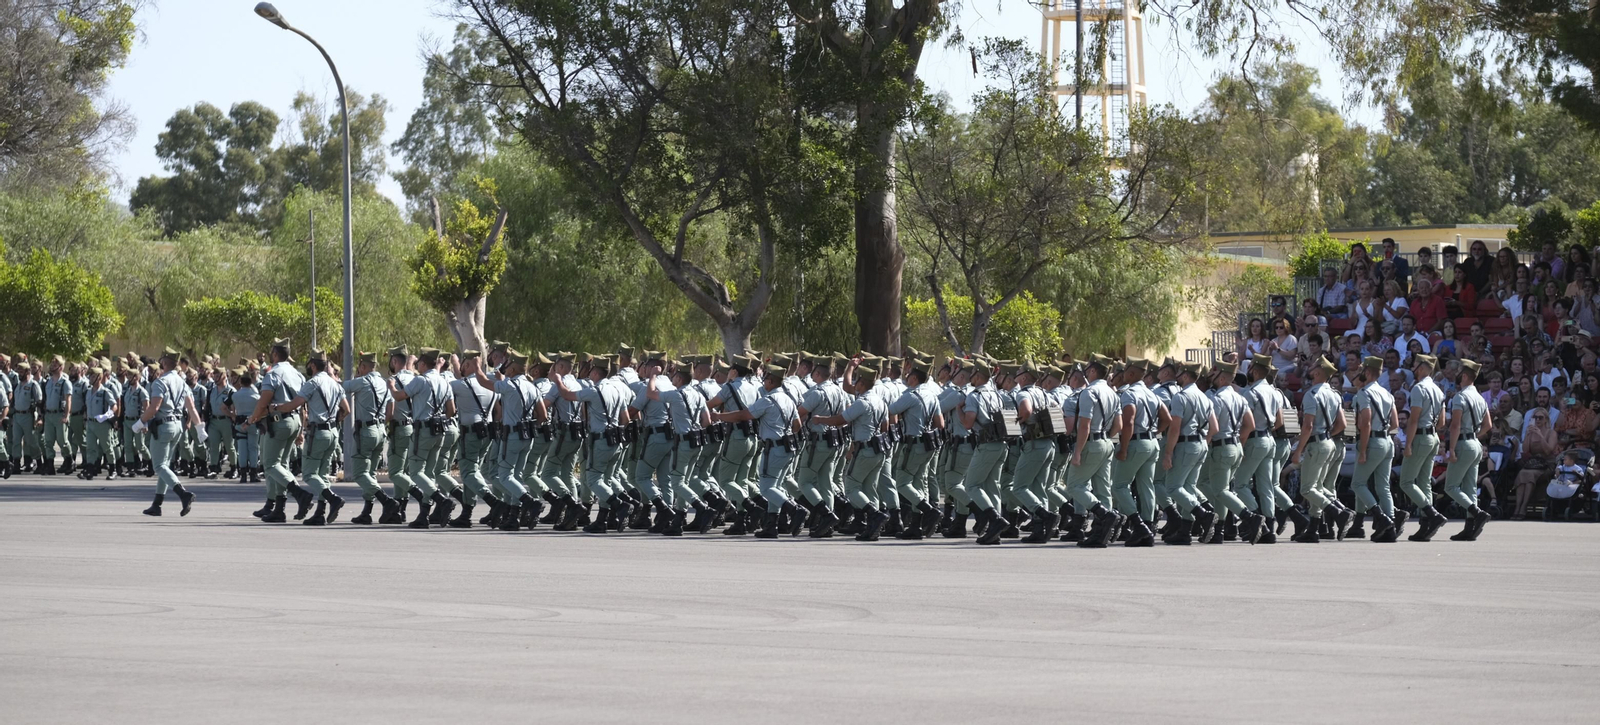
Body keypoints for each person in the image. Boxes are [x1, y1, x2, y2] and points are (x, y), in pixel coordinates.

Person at [710, 363, 803, 539]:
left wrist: (720, 416)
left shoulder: (768, 400)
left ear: (770, 381)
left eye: (766, 380)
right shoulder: (788, 399)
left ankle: (795, 509)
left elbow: (744, 415)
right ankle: (771, 525)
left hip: (774, 447)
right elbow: (797, 425)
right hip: (788, 446)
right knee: (776, 487)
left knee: (767, 488)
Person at [271, 350, 348, 526]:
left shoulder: (312, 383)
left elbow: (294, 404)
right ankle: (320, 512)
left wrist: (276, 407)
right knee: (322, 474)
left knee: (309, 474)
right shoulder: (335, 384)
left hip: (318, 432)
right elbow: (347, 409)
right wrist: (335, 421)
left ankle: (333, 499)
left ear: (313, 365)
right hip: (333, 432)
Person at [389, 347, 459, 529]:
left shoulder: (421, 380)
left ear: (422, 363)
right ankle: (423, 515)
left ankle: (441, 500)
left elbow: (399, 396)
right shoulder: (445, 382)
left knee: (416, 472)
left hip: (423, 430)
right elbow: (451, 411)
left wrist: (391, 387)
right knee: (429, 474)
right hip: (440, 430)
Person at [1198, 361, 1265, 544]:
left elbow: (1213, 428)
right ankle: (1219, 530)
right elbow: (1250, 425)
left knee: (1214, 488)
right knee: (1223, 490)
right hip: (1235, 446)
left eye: (1214, 375)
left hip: (1221, 447)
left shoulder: (1216, 399)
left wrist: (1205, 446)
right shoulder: (1240, 397)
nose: (1211, 379)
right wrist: (1239, 444)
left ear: (1221, 377)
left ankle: (1249, 517)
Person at [1289, 356, 1352, 542]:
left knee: (1307, 489)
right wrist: (1327, 434)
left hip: (1316, 443)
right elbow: (1342, 423)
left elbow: (1307, 426)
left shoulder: (1311, 394)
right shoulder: (1334, 394)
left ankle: (1339, 513)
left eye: (1315, 366)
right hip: (1329, 442)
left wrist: (1299, 450)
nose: (1311, 367)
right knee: (1317, 487)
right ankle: (1314, 529)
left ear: (1317, 372)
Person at [136, 347, 202, 517]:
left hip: (163, 426)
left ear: (164, 363)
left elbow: (154, 407)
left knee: (159, 465)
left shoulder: (160, 382)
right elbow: (192, 408)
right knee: (164, 464)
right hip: (177, 426)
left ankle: (183, 494)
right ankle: (157, 504)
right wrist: (199, 427)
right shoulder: (182, 381)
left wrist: (140, 421)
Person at [1158, 362, 1218, 545]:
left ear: (1185, 376)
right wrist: (1201, 445)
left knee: (1173, 487)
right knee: (1189, 488)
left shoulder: (1180, 397)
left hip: (1185, 443)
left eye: (1180, 373)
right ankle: (1185, 531)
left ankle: (1202, 515)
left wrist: (1168, 453)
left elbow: (1175, 428)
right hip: (1200, 443)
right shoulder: (1204, 397)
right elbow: (1214, 427)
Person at [1443, 359, 1495, 540]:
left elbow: (1455, 426)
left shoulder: (1460, 396)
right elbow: (1488, 425)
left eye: (1459, 372)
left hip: (1464, 443)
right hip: (1475, 443)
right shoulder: (1480, 397)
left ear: (1464, 375)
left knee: (1450, 486)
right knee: (1470, 488)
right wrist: (1473, 435)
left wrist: (1452, 448)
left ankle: (1477, 512)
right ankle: (1470, 528)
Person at [1512, 405, 1558, 520]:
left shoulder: (1551, 433)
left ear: (1546, 419)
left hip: (1546, 463)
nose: (1537, 420)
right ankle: (1518, 507)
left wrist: (1540, 435)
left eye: (1540, 418)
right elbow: (1526, 450)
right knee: (1523, 473)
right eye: (1535, 417)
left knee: (1528, 474)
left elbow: (1548, 451)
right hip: (1533, 463)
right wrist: (1528, 435)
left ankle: (1523, 507)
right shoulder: (1531, 431)